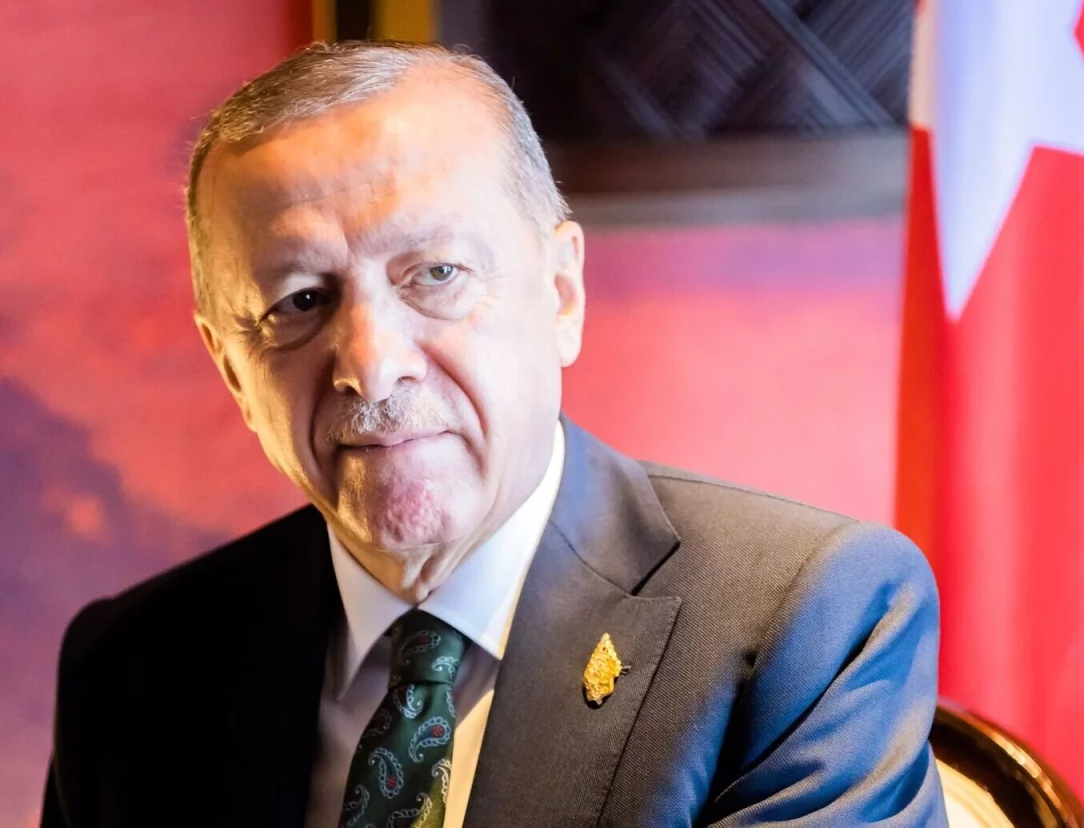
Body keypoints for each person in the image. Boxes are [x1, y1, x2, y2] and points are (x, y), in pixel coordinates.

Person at [41, 41, 946, 828]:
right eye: (301, 300)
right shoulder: (131, 669)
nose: (373, 365)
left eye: (435, 273)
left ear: (561, 293)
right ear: (234, 369)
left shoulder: (803, 622)